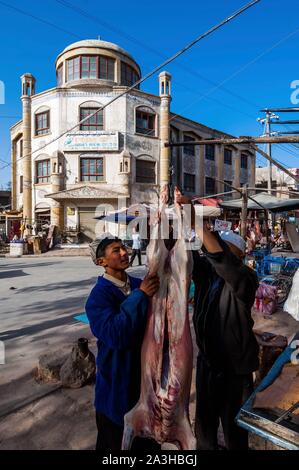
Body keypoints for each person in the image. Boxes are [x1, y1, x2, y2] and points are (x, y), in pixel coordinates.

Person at [176, 195, 259, 451]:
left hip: (235, 371)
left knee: (234, 434)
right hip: (208, 365)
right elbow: (187, 255)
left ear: (238, 255)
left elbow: (218, 256)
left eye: (225, 248)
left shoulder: (245, 278)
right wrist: (177, 220)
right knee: (204, 430)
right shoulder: (206, 277)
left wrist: (193, 215)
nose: (215, 253)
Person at [85, 233, 160, 451]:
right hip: (115, 389)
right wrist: (140, 296)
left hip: (145, 385)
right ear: (102, 262)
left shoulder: (139, 284)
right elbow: (115, 335)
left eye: (124, 248)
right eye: (116, 251)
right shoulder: (98, 297)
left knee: (146, 445)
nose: (125, 252)